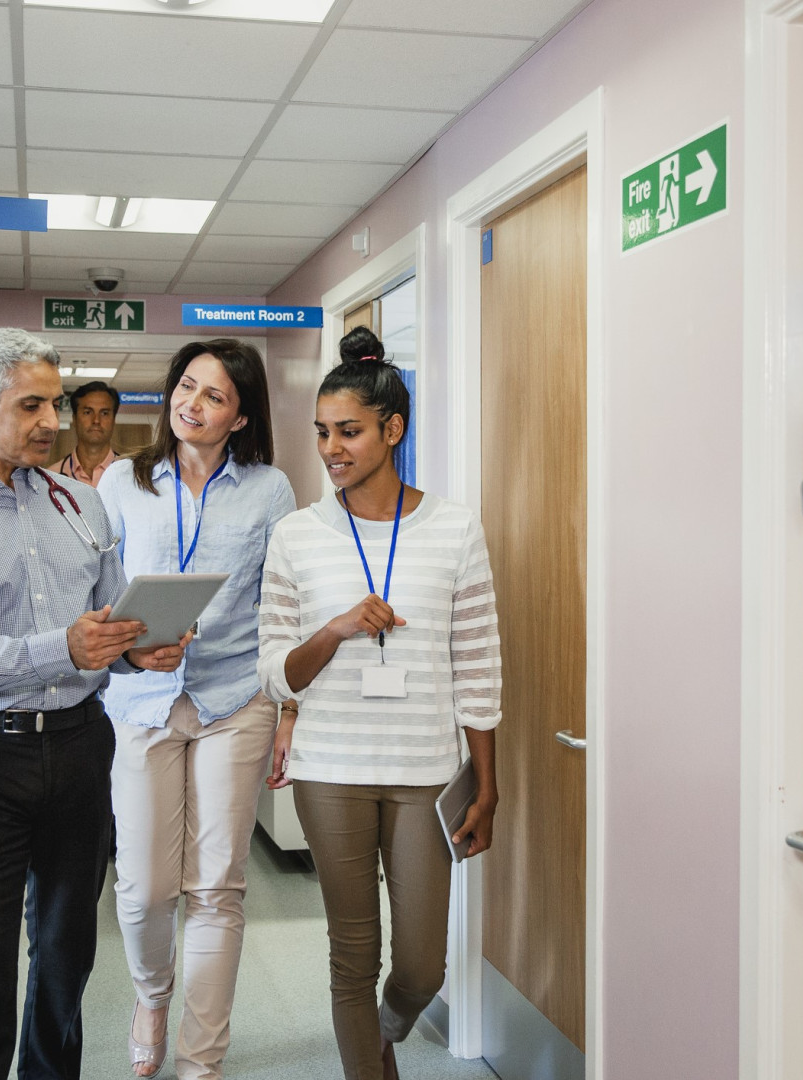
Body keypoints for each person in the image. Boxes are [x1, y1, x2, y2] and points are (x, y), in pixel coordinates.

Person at [0, 327, 189, 1080]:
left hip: (81, 747)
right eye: (31, 405)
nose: (52, 420)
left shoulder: (83, 506)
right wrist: (65, 647)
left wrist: (133, 649)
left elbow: (104, 627)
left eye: (55, 401)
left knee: (65, 958)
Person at [256, 327, 502, 1080]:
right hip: (331, 769)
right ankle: (370, 1065)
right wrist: (332, 630)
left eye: (350, 432)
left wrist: (486, 784)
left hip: (425, 768)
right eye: (324, 432)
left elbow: (479, 664)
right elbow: (276, 672)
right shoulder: (296, 535)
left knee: (422, 965)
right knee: (351, 956)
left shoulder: (455, 528)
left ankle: (385, 1032)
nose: (332, 449)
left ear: (392, 430)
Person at [96, 339, 296, 1080]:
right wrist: (124, 649)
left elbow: (280, 606)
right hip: (142, 700)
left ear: (241, 416)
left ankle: (200, 1059)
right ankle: (152, 995)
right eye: (187, 386)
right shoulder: (123, 480)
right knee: (145, 889)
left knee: (217, 886)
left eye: (215, 396)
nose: (194, 404)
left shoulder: (270, 489)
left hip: (234, 697)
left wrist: (288, 712)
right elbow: (95, 589)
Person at [54, 379, 119, 486]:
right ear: (74, 419)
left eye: (104, 413)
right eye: (88, 412)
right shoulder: (52, 477)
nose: (96, 420)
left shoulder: (131, 476)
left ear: (114, 419)